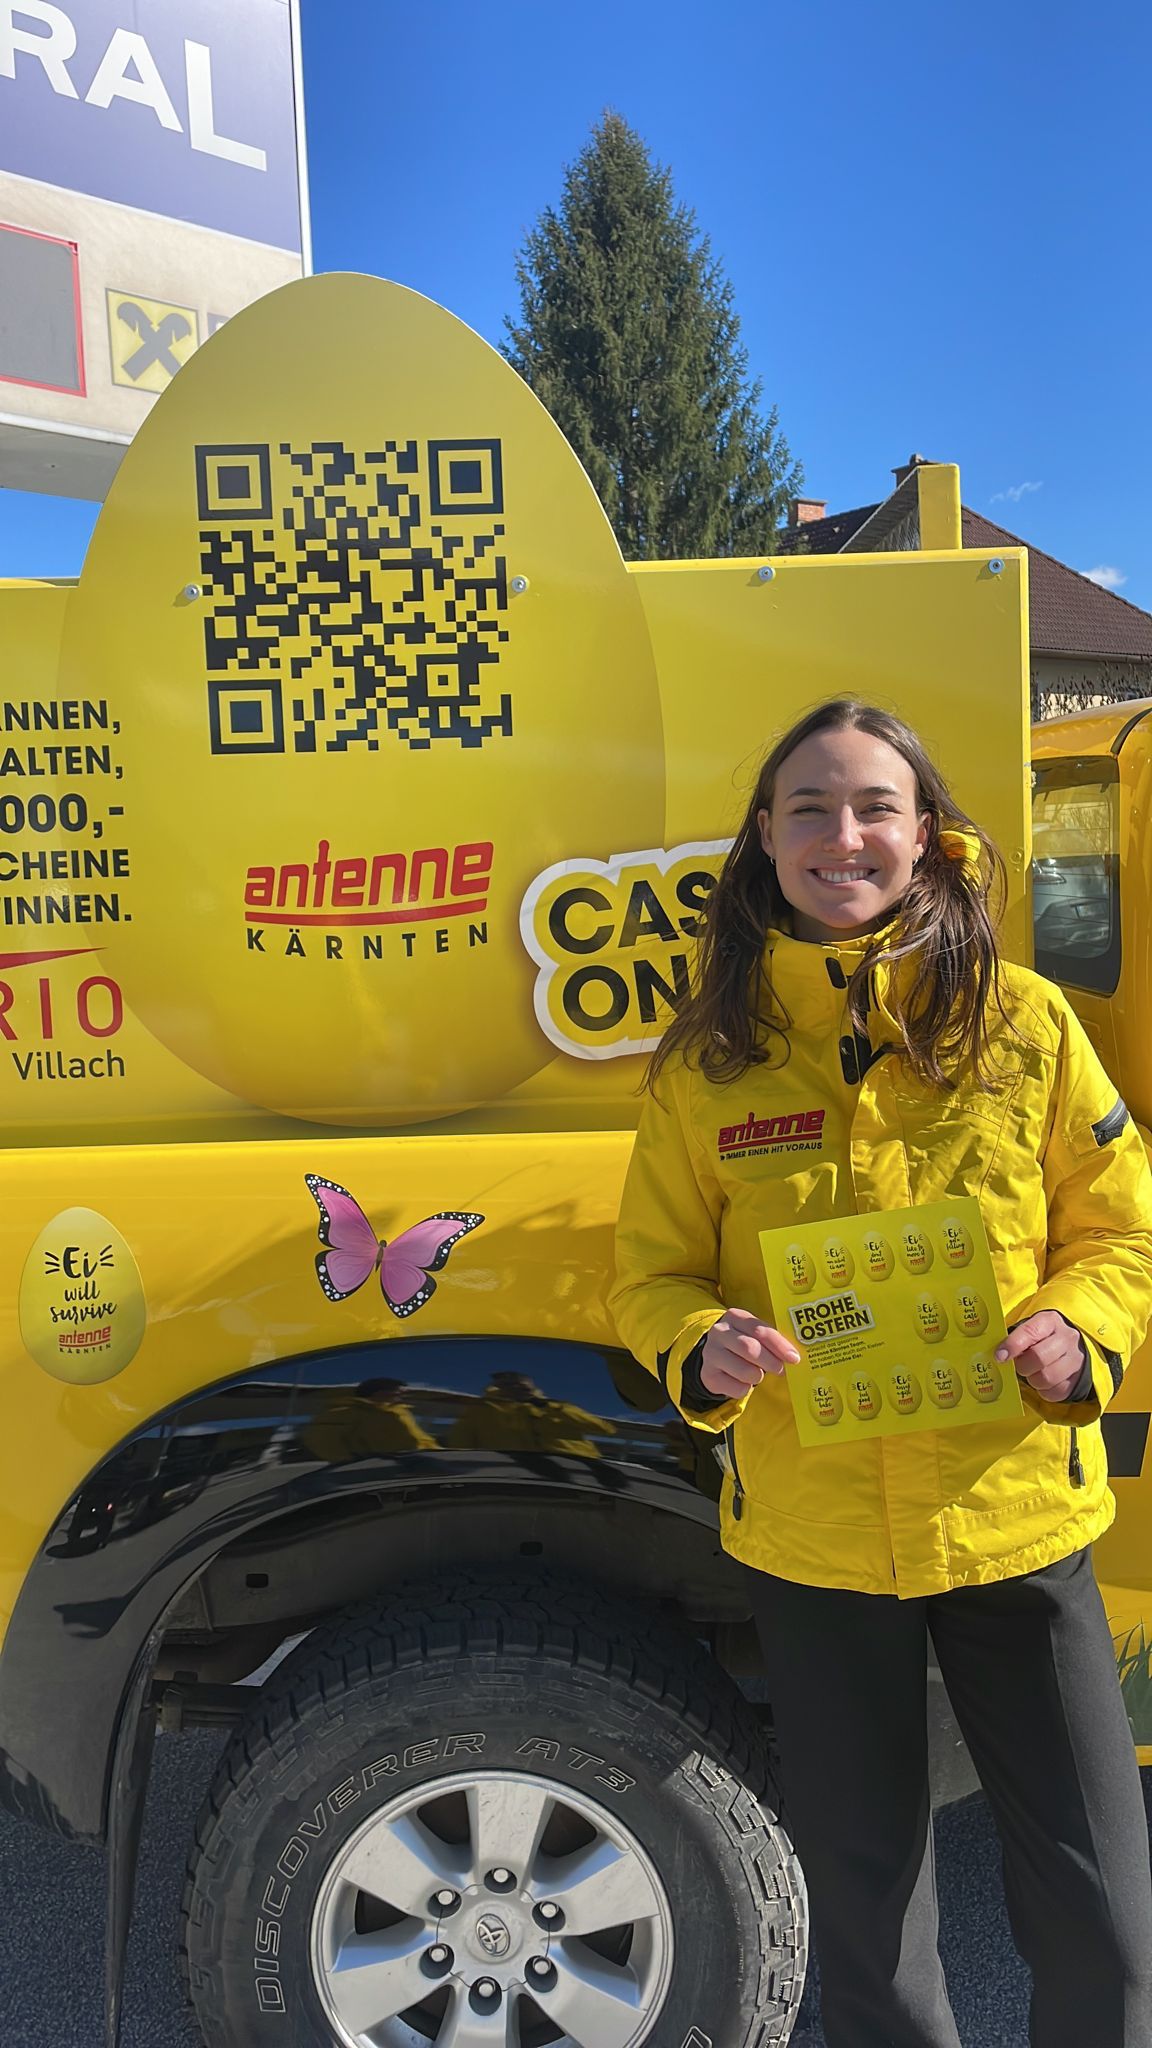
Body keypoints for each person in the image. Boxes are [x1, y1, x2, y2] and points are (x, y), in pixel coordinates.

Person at [610, 698, 1152, 2048]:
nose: (841, 836)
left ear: (927, 837)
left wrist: (1079, 1326)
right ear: (765, 836)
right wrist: (700, 1344)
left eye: (873, 808)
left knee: (1105, 1921)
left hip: (1015, 1518)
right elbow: (650, 1277)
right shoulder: (708, 1062)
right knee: (867, 1930)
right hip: (819, 1540)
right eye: (810, 809)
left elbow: (1121, 1229)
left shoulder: (1026, 1025)